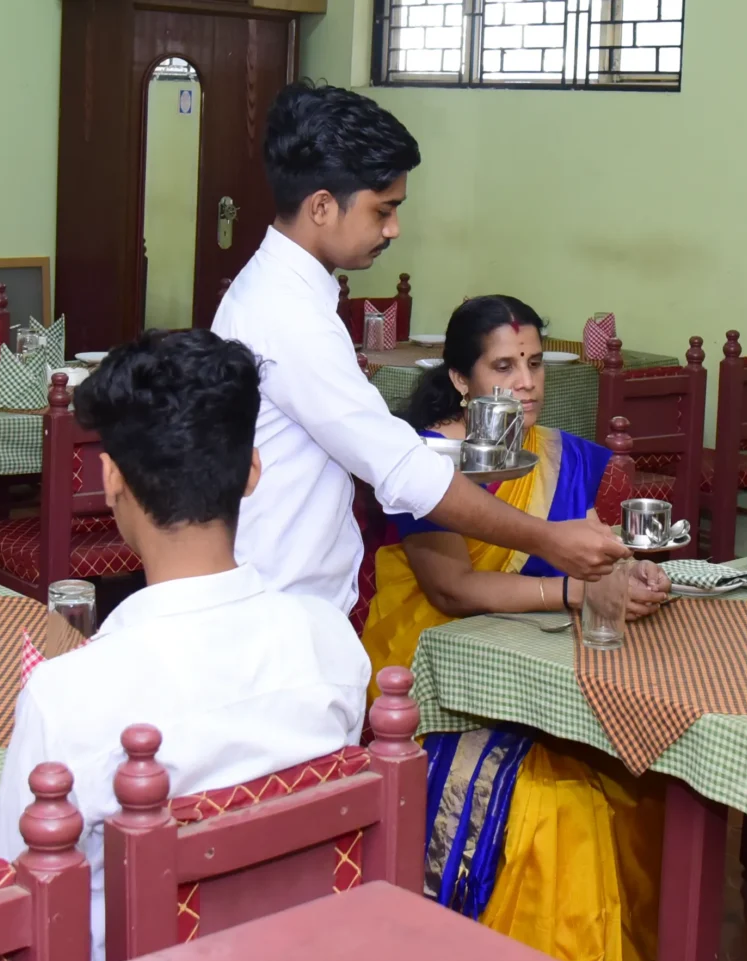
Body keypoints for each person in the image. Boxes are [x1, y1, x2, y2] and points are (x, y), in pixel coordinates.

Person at [0, 329, 370, 961]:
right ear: (252, 473)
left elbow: (8, 900)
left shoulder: (66, 696)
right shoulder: (331, 644)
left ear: (111, 478)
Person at [211, 82, 627, 618]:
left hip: (287, 595)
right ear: (322, 207)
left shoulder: (285, 294)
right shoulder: (288, 316)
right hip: (278, 600)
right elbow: (401, 470)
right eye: (383, 210)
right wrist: (547, 539)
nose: (394, 228)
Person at [361, 294, 673, 961]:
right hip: (435, 671)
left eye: (534, 364)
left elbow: (596, 551)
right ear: (460, 379)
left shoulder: (564, 456)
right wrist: (576, 594)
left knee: (645, 782)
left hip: (542, 658)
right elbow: (453, 591)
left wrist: (630, 570)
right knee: (563, 810)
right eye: (503, 367)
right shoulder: (427, 461)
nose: (527, 383)